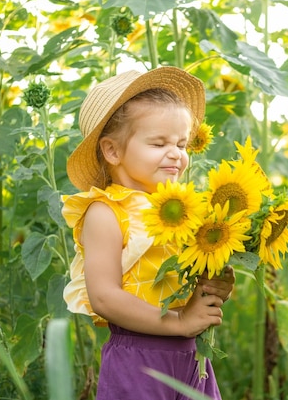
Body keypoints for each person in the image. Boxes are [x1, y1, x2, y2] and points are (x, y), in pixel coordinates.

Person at [61, 66, 235, 400]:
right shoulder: (106, 212)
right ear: (113, 151)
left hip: (193, 355)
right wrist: (179, 321)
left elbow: (188, 280)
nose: (176, 153)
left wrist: (215, 287)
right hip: (138, 358)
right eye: (158, 143)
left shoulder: (182, 210)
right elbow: (105, 297)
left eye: (182, 144)